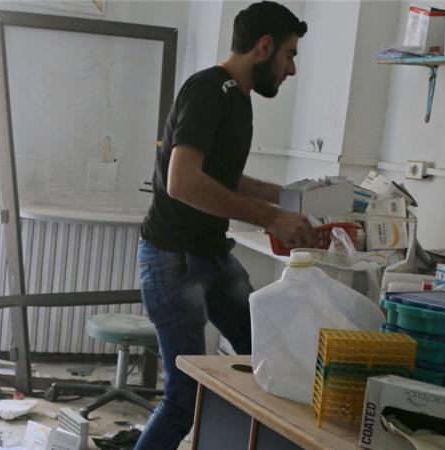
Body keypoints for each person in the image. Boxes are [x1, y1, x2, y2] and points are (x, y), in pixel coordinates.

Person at [135, 2, 315, 449]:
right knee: (183, 400)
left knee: (270, 359)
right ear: (264, 46)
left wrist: (285, 197)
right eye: (289, 55)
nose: (291, 70)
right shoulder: (208, 90)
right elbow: (182, 182)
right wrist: (272, 217)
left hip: (211, 255)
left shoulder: (237, 98)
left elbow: (220, 176)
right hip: (174, 260)